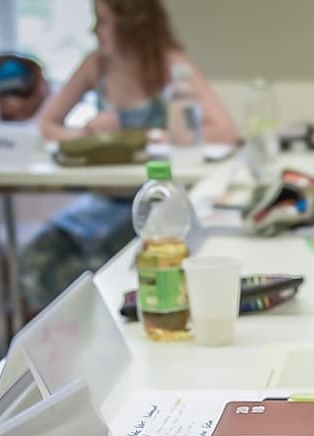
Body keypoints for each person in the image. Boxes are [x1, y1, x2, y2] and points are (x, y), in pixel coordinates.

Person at [21, 0, 237, 313]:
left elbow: (225, 131)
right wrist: (87, 135)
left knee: (116, 263)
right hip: (102, 202)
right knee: (38, 257)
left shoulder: (169, 63)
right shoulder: (97, 65)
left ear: (131, 22)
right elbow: (45, 125)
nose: (94, 30)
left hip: (154, 204)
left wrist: (149, 136)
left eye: (103, 21)